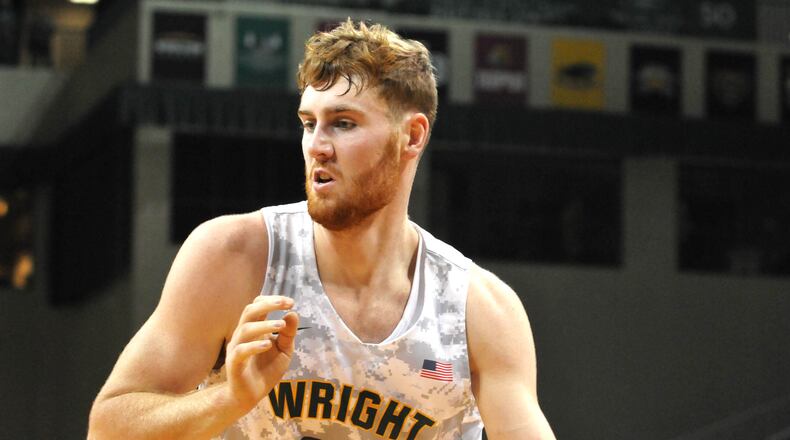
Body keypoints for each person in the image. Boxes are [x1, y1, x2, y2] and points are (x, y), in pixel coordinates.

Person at [88, 19, 555, 439]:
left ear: (411, 136)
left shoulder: (478, 309)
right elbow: (108, 429)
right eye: (309, 124)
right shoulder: (236, 255)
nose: (317, 147)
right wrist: (228, 398)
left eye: (343, 124)